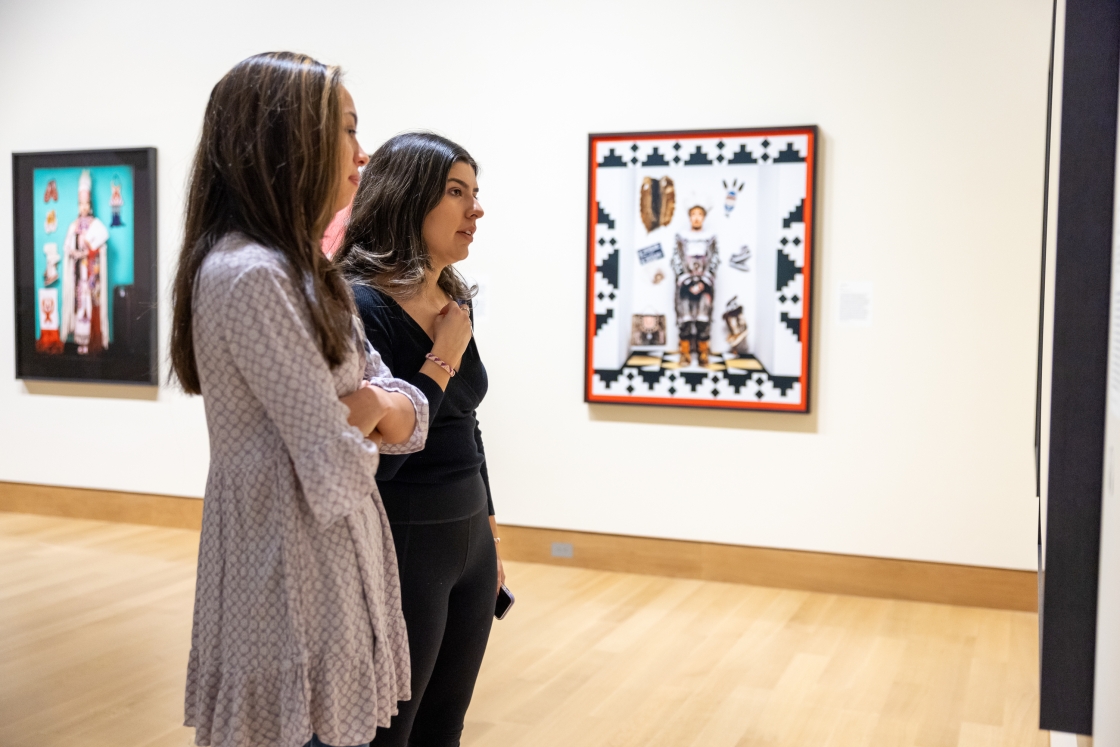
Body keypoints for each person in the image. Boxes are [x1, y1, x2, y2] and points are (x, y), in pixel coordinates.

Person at [170, 52, 425, 747]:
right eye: (347, 130)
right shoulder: (249, 275)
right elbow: (336, 462)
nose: (362, 153)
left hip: (329, 569)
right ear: (290, 142)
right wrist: (370, 409)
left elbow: (408, 416)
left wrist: (368, 407)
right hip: (287, 581)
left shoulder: (309, 270)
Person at [334, 132, 502, 747]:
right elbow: (378, 456)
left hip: (469, 548)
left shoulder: (453, 298)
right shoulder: (357, 304)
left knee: (445, 728)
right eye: (456, 192)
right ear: (408, 198)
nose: (475, 210)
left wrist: (488, 528)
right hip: (404, 542)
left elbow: (465, 425)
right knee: (390, 731)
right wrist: (442, 359)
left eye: (475, 193)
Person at [61, 169, 109, 354]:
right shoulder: (74, 225)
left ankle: (91, 340)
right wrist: (75, 253)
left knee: (91, 307)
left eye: (86, 204)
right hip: (78, 276)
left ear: (90, 205)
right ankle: (80, 341)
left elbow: (101, 245)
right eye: (81, 204)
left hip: (91, 274)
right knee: (80, 307)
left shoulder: (94, 224)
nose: (83, 208)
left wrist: (92, 250)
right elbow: (67, 248)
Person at [672, 197, 720, 367]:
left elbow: (715, 259)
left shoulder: (711, 237)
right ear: (689, 216)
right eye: (694, 214)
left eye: (700, 214)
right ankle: (684, 353)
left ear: (704, 216)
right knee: (684, 319)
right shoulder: (681, 237)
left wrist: (703, 282)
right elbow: (676, 259)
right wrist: (687, 281)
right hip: (685, 287)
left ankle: (703, 354)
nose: (697, 217)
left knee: (703, 319)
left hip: (704, 286)